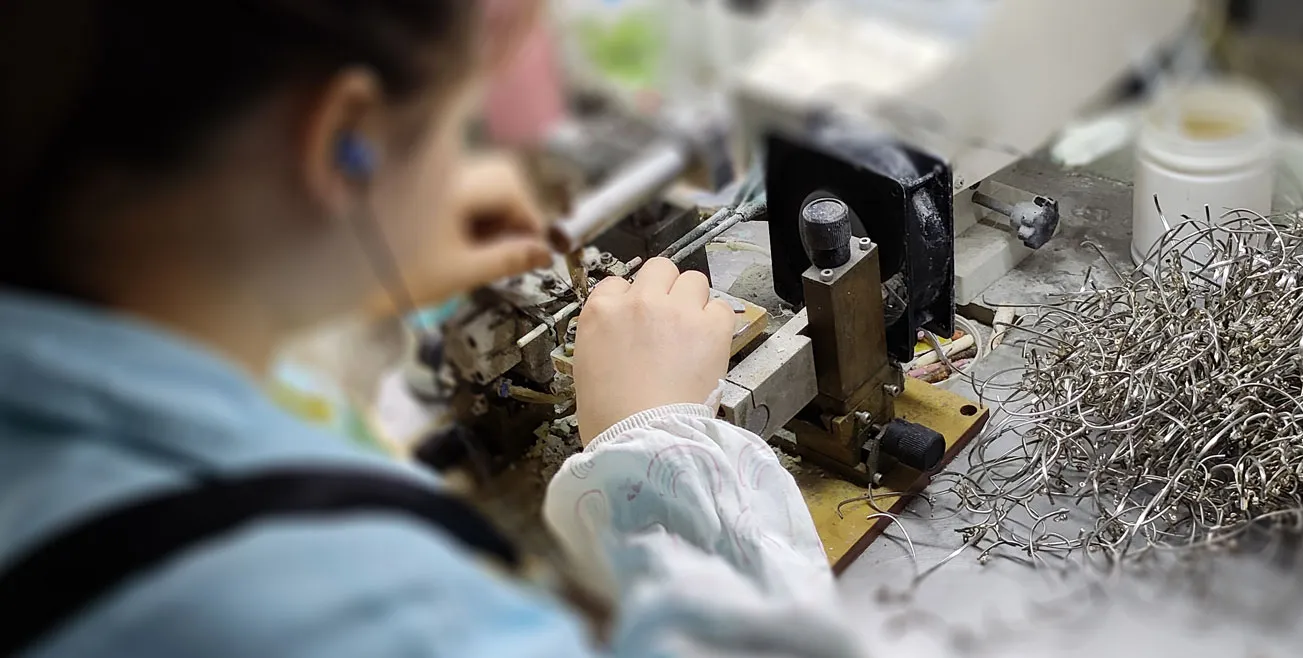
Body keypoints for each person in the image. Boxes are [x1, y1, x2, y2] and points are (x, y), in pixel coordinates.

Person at [0, 1, 859, 656]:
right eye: (458, 125)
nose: (470, 165)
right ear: (344, 143)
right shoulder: (374, 619)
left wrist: (331, 270)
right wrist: (661, 449)